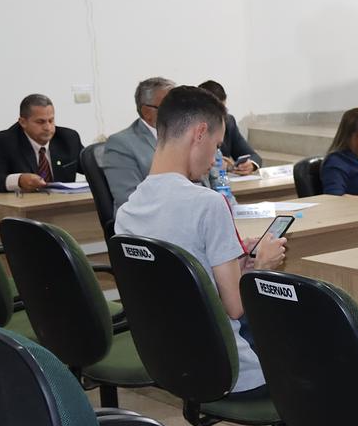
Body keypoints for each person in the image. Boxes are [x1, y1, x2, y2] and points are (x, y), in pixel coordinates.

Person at [114, 86, 286, 395]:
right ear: (200, 133)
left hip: (174, 363)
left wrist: (237, 265)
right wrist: (262, 264)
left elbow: (185, 287)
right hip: (234, 371)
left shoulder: (128, 211)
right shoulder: (207, 204)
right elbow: (235, 308)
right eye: (217, 146)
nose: (215, 158)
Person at [0, 94, 84, 192]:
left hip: (63, 202)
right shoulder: (4, 142)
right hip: (23, 202)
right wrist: (19, 180)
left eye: (51, 120)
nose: (47, 127)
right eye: (40, 122)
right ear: (23, 122)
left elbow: (90, 166)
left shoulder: (68, 138)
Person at [104, 76, 174, 211]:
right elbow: (131, 200)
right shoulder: (120, 144)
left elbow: (210, 179)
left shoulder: (186, 135)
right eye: (171, 107)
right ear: (147, 112)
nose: (180, 112)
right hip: (151, 219)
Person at [197, 80, 262, 174]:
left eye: (223, 110)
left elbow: (253, 156)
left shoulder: (228, 122)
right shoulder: (190, 128)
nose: (220, 117)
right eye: (215, 112)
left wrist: (250, 164)